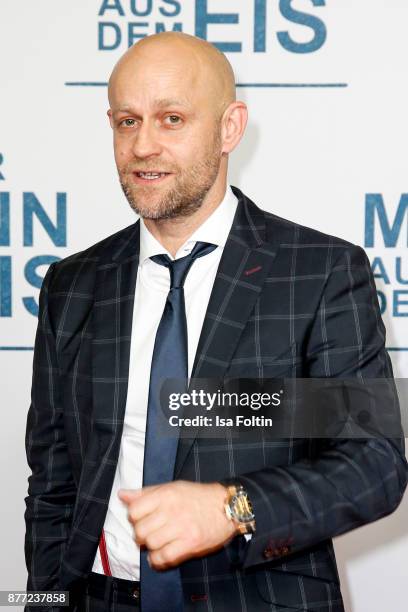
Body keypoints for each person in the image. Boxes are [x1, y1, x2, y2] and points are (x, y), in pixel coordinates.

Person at [24, 32, 407, 612]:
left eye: (171, 118)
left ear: (230, 128)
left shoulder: (319, 272)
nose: (143, 145)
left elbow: (374, 466)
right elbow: (52, 488)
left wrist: (233, 506)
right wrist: (43, 602)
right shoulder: (73, 286)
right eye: (126, 122)